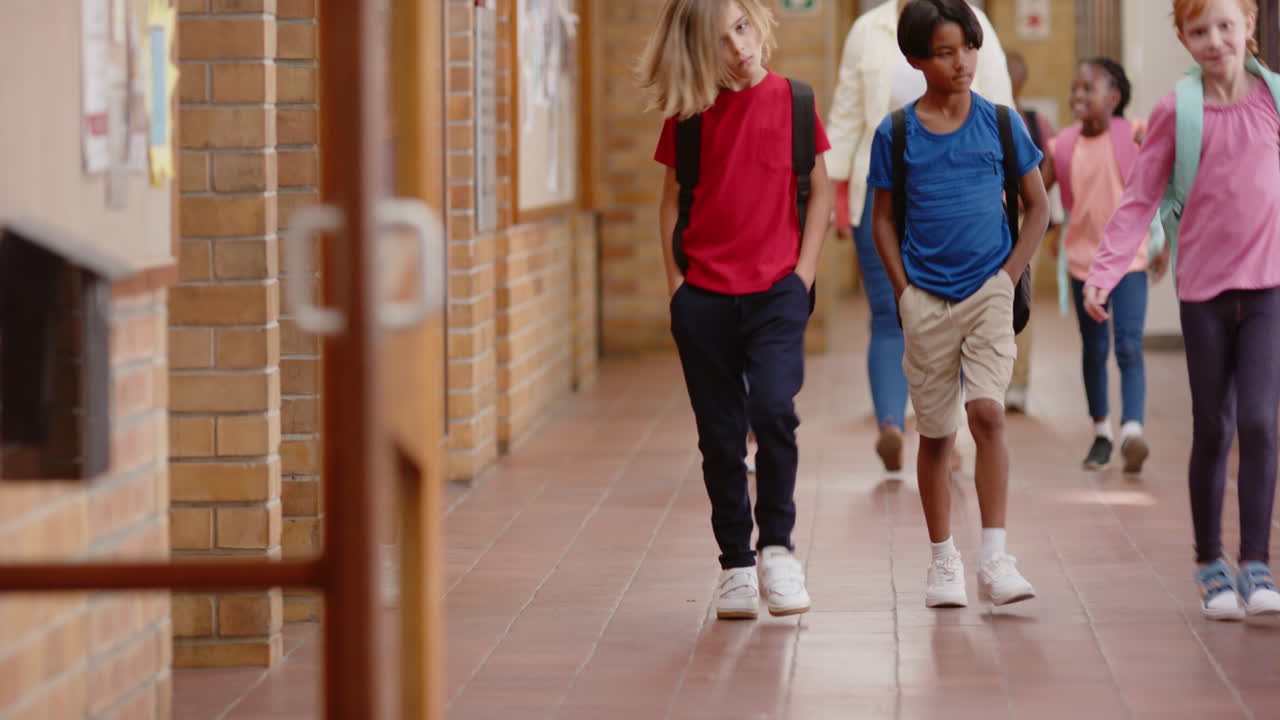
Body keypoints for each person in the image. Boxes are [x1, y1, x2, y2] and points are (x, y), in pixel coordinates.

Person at [1084, 0, 1280, 621]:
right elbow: (1140, 197)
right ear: (1184, 38)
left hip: (1270, 287)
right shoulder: (1178, 110)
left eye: (1227, 25)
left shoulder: (1275, 98)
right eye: (1200, 30)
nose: (1215, 40)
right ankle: (1209, 564)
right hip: (1205, 295)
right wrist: (1106, 272)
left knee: (1258, 422)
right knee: (1214, 427)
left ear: (1249, 24)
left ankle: (1256, 563)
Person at [638, 0, 832, 620]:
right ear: (698, 52)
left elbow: (821, 191)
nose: (739, 48)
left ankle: (777, 550)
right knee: (721, 438)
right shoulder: (689, 117)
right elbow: (670, 203)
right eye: (721, 41)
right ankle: (736, 567)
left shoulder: (796, 102)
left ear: (758, 22)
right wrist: (677, 289)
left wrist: (803, 276)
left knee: (774, 410)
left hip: (777, 290)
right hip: (705, 299)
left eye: (743, 28)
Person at [868, 0, 1048, 608]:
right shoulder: (896, 132)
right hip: (927, 300)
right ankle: (943, 560)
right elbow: (883, 221)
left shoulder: (1001, 122)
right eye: (945, 52)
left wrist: (1007, 277)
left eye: (968, 48)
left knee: (989, 415)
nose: (962, 62)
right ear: (916, 57)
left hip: (989, 292)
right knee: (939, 436)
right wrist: (905, 292)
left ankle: (995, 558)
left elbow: (1039, 207)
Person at [827, 0, 1012, 471]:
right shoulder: (868, 31)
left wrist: (1005, 192)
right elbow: (846, 115)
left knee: (962, 313)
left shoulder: (973, 23)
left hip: (958, 191)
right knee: (891, 310)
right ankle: (891, 423)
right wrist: (834, 190)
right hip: (883, 187)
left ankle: (952, 440)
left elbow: (1001, 108)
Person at [1041, 58, 1155, 473]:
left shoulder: (1134, 137)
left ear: (1114, 97)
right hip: (1082, 265)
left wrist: (1161, 242)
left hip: (1130, 261)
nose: (1078, 96)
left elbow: (1158, 186)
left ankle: (1132, 431)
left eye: (1089, 88)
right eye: (1075, 88)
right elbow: (1033, 198)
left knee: (1128, 344)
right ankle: (1102, 432)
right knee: (1094, 349)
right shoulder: (1063, 146)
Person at [1003, 50, 1055, 413]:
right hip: (985, 220)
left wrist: (1027, 199)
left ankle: (1018, 381)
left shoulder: (1034, 122)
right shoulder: (984, 118)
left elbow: (1050, 166)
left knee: (1017, 296)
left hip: (1021, 222)